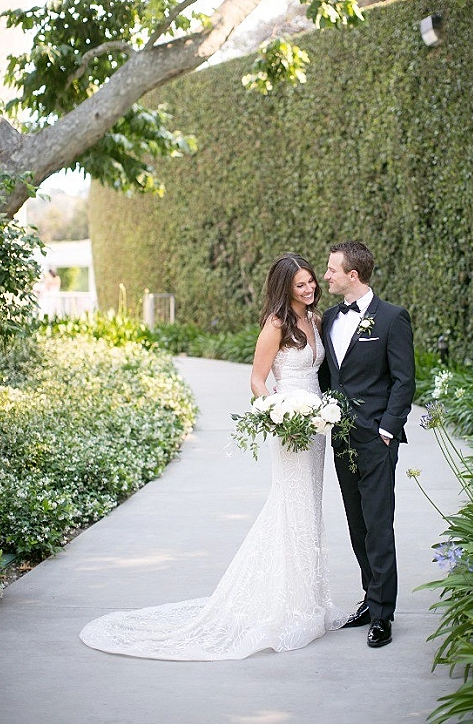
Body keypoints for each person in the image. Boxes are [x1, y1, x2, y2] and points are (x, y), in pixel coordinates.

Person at [79, 253, 346, 660]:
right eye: (300, 285)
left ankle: (308, 601)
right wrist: (278, 412)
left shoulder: (317, 319)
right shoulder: (276, 325)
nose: (310, 289)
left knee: (309, 507)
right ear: (285, 288)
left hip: (316, 427)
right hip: (290, 425)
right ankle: (287, 607)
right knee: (291, 507)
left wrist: (317, 413)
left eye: (311, 282)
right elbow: (257, 379)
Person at [319, 240, 415, 649]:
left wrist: (387, 430)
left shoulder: (392, 318)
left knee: (378, 525)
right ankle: (369, 599)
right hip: (341, 438)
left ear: (352, 275)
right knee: (357, 524)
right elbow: (328, 376)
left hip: (376, 439)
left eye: (332, 270)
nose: (326, 276)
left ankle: (383, 615)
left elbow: (404, 380)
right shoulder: (328, 318)